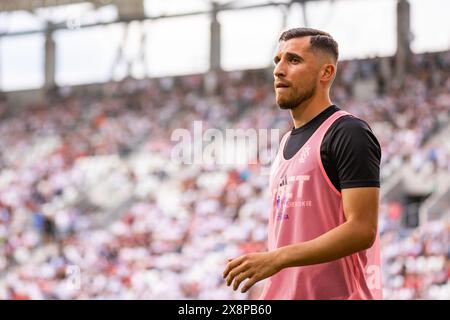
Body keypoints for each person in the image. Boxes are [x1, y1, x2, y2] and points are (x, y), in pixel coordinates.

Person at [223, 27, 383, 299]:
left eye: (293, 60)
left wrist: (276, 258)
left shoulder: (347, 132)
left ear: (326, 73)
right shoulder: (285, 142)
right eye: (277, 61)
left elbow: (362, 229)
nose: (279, 70)